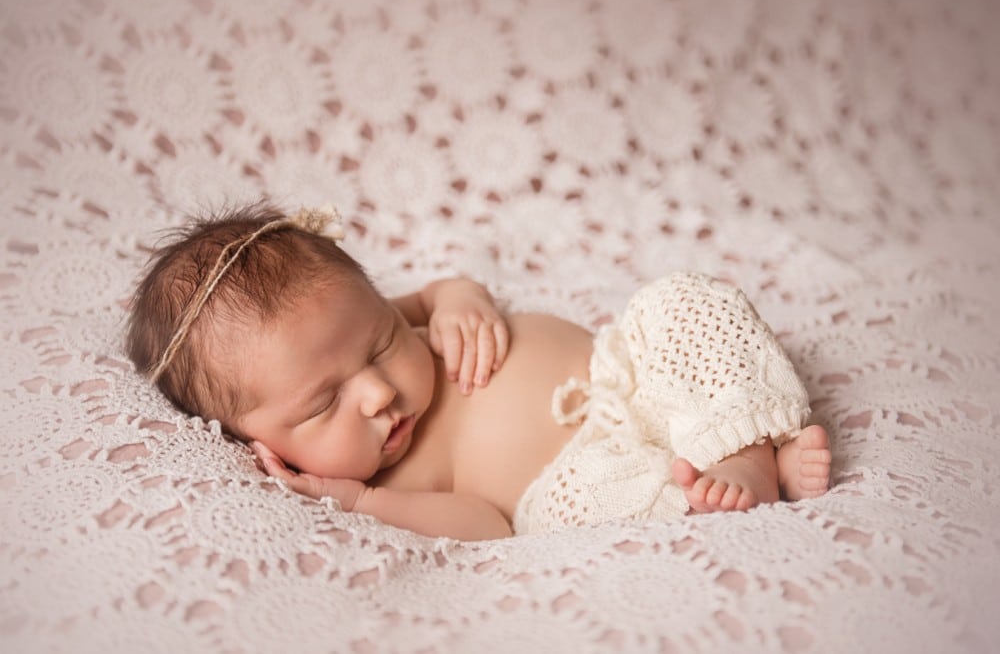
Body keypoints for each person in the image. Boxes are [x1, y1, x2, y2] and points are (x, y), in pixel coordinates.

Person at [127, 201, 832, 541]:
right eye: (322, 406)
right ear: (263, 444)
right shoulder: (385, 482)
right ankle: (735, 472)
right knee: (600, 514)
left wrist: (454, 294)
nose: (377, 390)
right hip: (576, 474)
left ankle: (744, 451)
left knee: (684, 303)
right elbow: (487, 526)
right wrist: (355, 501)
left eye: (377, 343)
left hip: (629, 370)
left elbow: (429, 294)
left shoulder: (347, 325)